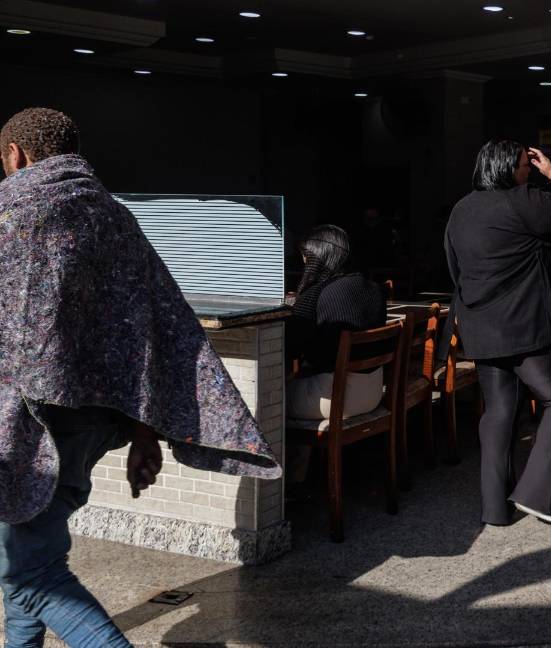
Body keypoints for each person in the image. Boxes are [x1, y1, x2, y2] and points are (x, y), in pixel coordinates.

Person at [0, 107, 281, 647]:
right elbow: (150, 325)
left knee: (29, 572)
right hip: (90, 425)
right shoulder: (115, 217)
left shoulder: (12, 214)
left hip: (28, 424)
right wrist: (146, 428)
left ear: (16, 155)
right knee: (34, 547)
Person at [445, 139, 551, 527]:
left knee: (499, 410)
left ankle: (494, 509)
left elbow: (454, 267)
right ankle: (535, 494)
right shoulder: (521, 199)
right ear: (511, 168)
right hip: (523, 326)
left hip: (479, 325)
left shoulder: (461, 209)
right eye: (526, 165)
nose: (529, 171)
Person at [285, 225, 389, 486]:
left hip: (334, 399)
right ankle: (303, 476)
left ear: (318, 258)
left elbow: (291, 349)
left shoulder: (315, 295)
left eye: (306, 258)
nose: (304, 263)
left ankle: (288, 485)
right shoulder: (373, 288)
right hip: (373, 392)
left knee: (266, 401)